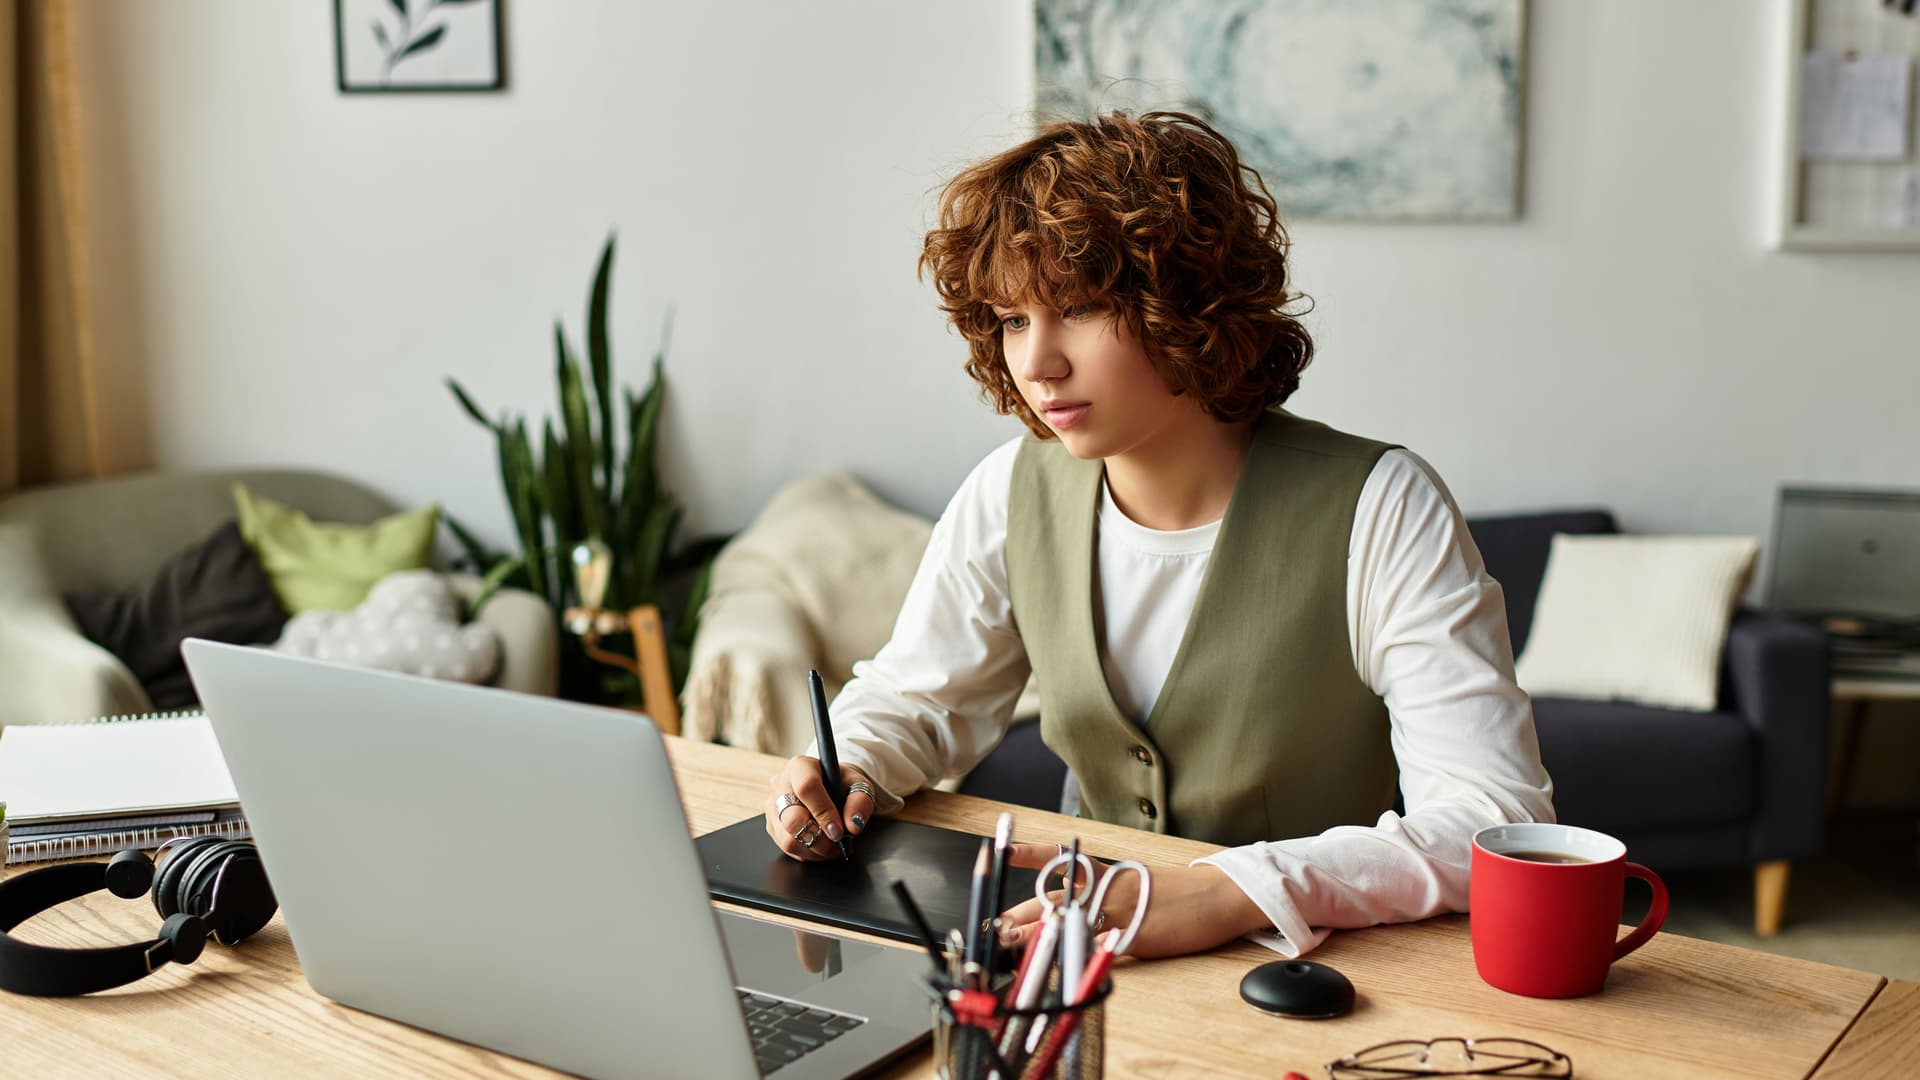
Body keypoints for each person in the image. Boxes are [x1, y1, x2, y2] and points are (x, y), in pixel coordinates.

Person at [762, 110, 1553, 960]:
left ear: (1189, 301)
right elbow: (921, 694)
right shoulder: (1010, 490)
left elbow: (1496, 817)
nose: (1036, 363)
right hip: (1071, 954)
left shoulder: (1381, 506)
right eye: (1012, 318)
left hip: (1322, 965)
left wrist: (1235, 889)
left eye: (1078, 307)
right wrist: (848, 766)